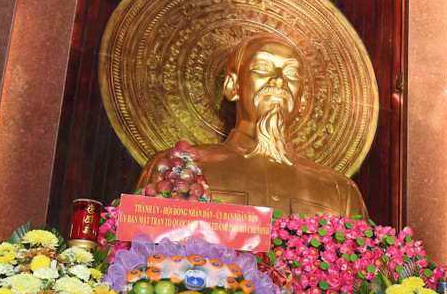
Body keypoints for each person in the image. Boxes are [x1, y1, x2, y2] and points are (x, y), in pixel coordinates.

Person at [136, 34, 368, 219]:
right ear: (232, 86)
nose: (279, 80)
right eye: (264, 66)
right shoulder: (174, 167)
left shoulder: (341, 191)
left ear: (303, 99)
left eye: (291, 72)